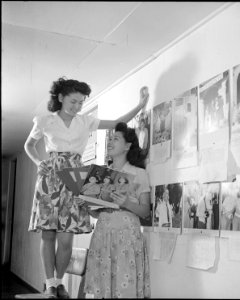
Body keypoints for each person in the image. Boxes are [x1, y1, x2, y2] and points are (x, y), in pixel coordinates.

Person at [24, 77, 149, 299]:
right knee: (48, 234)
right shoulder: (44, 121)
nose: (77, 106)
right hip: (50, 176)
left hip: (74, 176)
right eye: (73, 101)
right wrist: (39, 163)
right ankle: (50, 283)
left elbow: (117, 123)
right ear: (60, 98)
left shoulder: (85, 122)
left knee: (66, 238)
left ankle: (59, 281)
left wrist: (140, 105)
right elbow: (29, 145)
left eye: (81, 102)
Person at [78, 122, 151, 298]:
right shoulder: (100, 174)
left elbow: (145, 211)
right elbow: (98, 213)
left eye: (116, 138)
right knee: (103, 290)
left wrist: (126, 202)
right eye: (110, 138)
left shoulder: (138, 173)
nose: (110, 141)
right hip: (103, 236)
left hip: (126, 237)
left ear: (127, 146)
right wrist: (87, 206)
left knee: (124, 289)